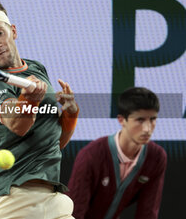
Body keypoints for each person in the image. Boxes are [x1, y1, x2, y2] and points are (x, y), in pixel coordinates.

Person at [0, 0, 79, 219]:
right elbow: (17, 124)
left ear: (13, 31)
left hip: (53, 201)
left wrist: (71, 114)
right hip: (8, 200)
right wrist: (29, 100)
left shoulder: (36, 68)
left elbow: (54, 142)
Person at [67, 87, 167, 219]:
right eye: (140, 120)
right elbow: (74, 212)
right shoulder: (91, 155)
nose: (147, 128)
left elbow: (148, 213)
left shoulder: (157, 157)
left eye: (153, 119)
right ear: (121, 120)